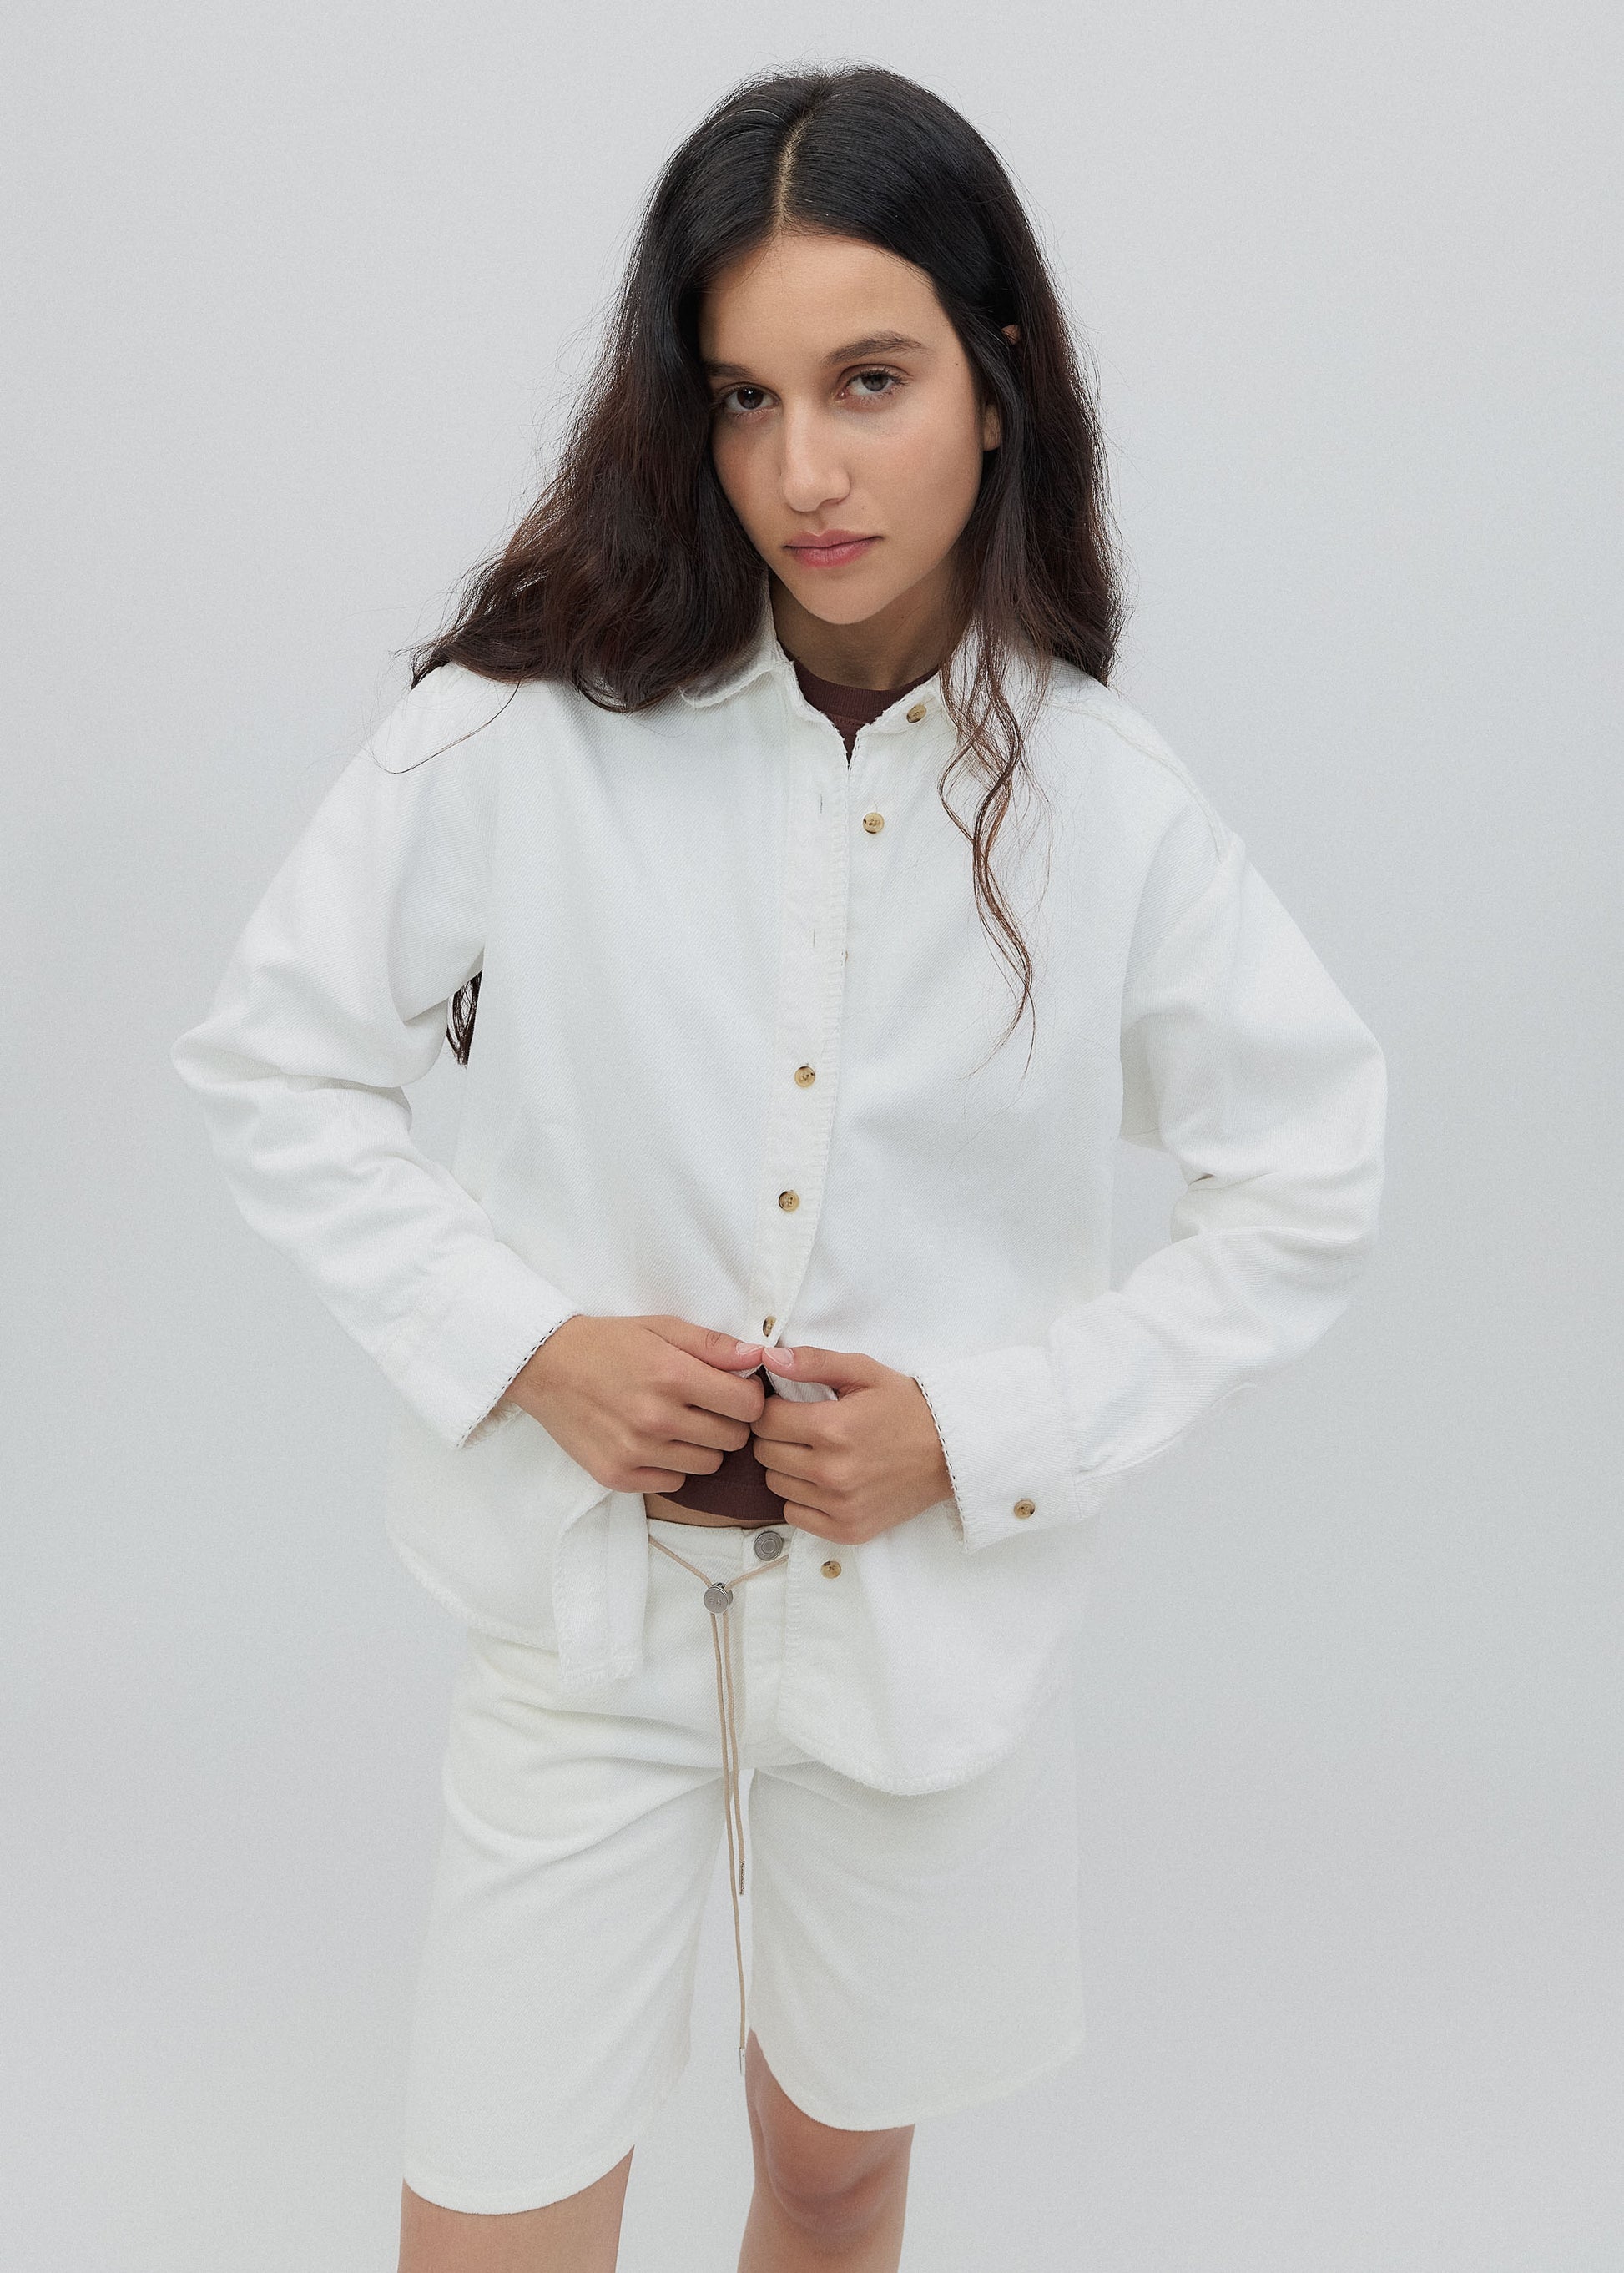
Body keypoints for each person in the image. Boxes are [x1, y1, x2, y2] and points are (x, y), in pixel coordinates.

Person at [169, 61, 1387, 2273]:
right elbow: (276, 1064)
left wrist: (981, 1431)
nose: (802, 469)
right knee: (495, 2216)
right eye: (740, 397)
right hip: (580, 1618)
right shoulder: (523, 731)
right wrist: (528, 1343)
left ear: (997, 384)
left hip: (922, 1643)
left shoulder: (1105, 801)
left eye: (868, 380)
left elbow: (1307, 1168)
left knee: (832, 2181)